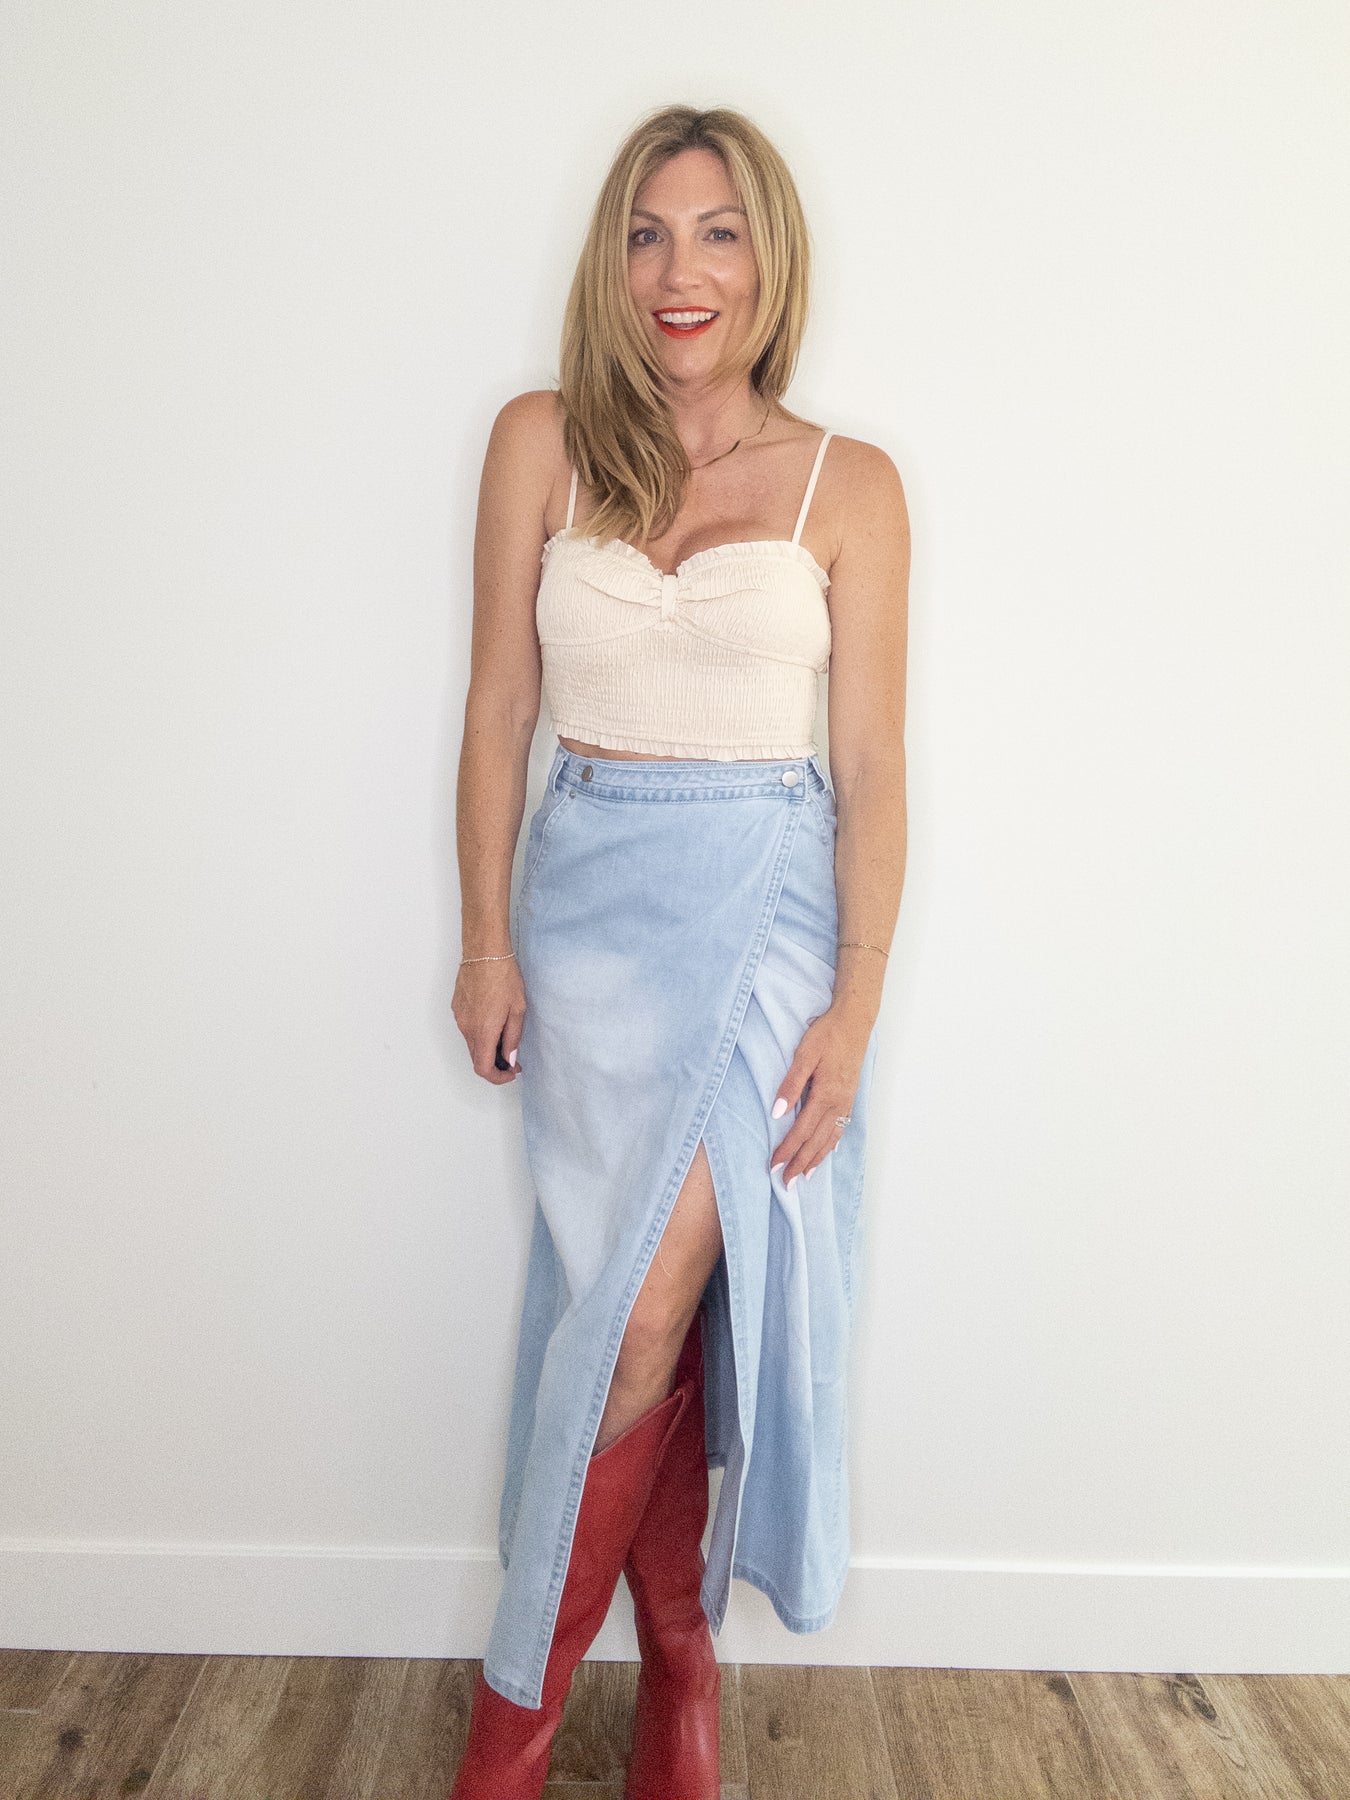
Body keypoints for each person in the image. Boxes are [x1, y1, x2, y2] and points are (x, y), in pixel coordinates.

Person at [449, 101, 909, 1800]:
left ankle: (509, 1734)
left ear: (768, 259)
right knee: (628, 1308)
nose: (678, 269)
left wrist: (857, 1004)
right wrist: (483, 942)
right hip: (581, 920)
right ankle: (681, 1674)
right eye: (646, 232)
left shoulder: (851, 485)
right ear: (610, 260)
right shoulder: (539, 441)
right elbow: (499, 709)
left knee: (642, 1314)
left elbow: (871, 766)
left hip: (766, 918)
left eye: (716, 232)